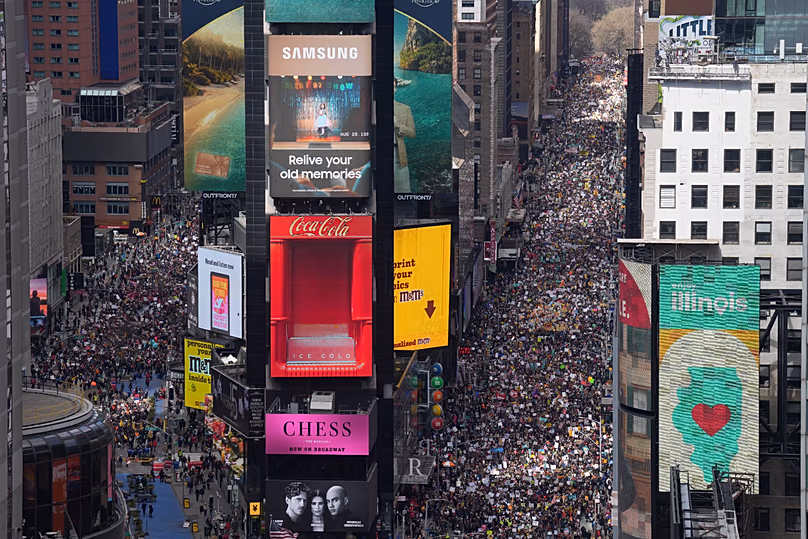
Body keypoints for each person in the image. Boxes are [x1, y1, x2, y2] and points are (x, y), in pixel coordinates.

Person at [393, 80, 416, 193]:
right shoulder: (372, 107)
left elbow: (412, 133)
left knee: (403, 191)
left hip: (398, 155)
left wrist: (398, 125)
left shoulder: (404, 108)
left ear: (395, 89)